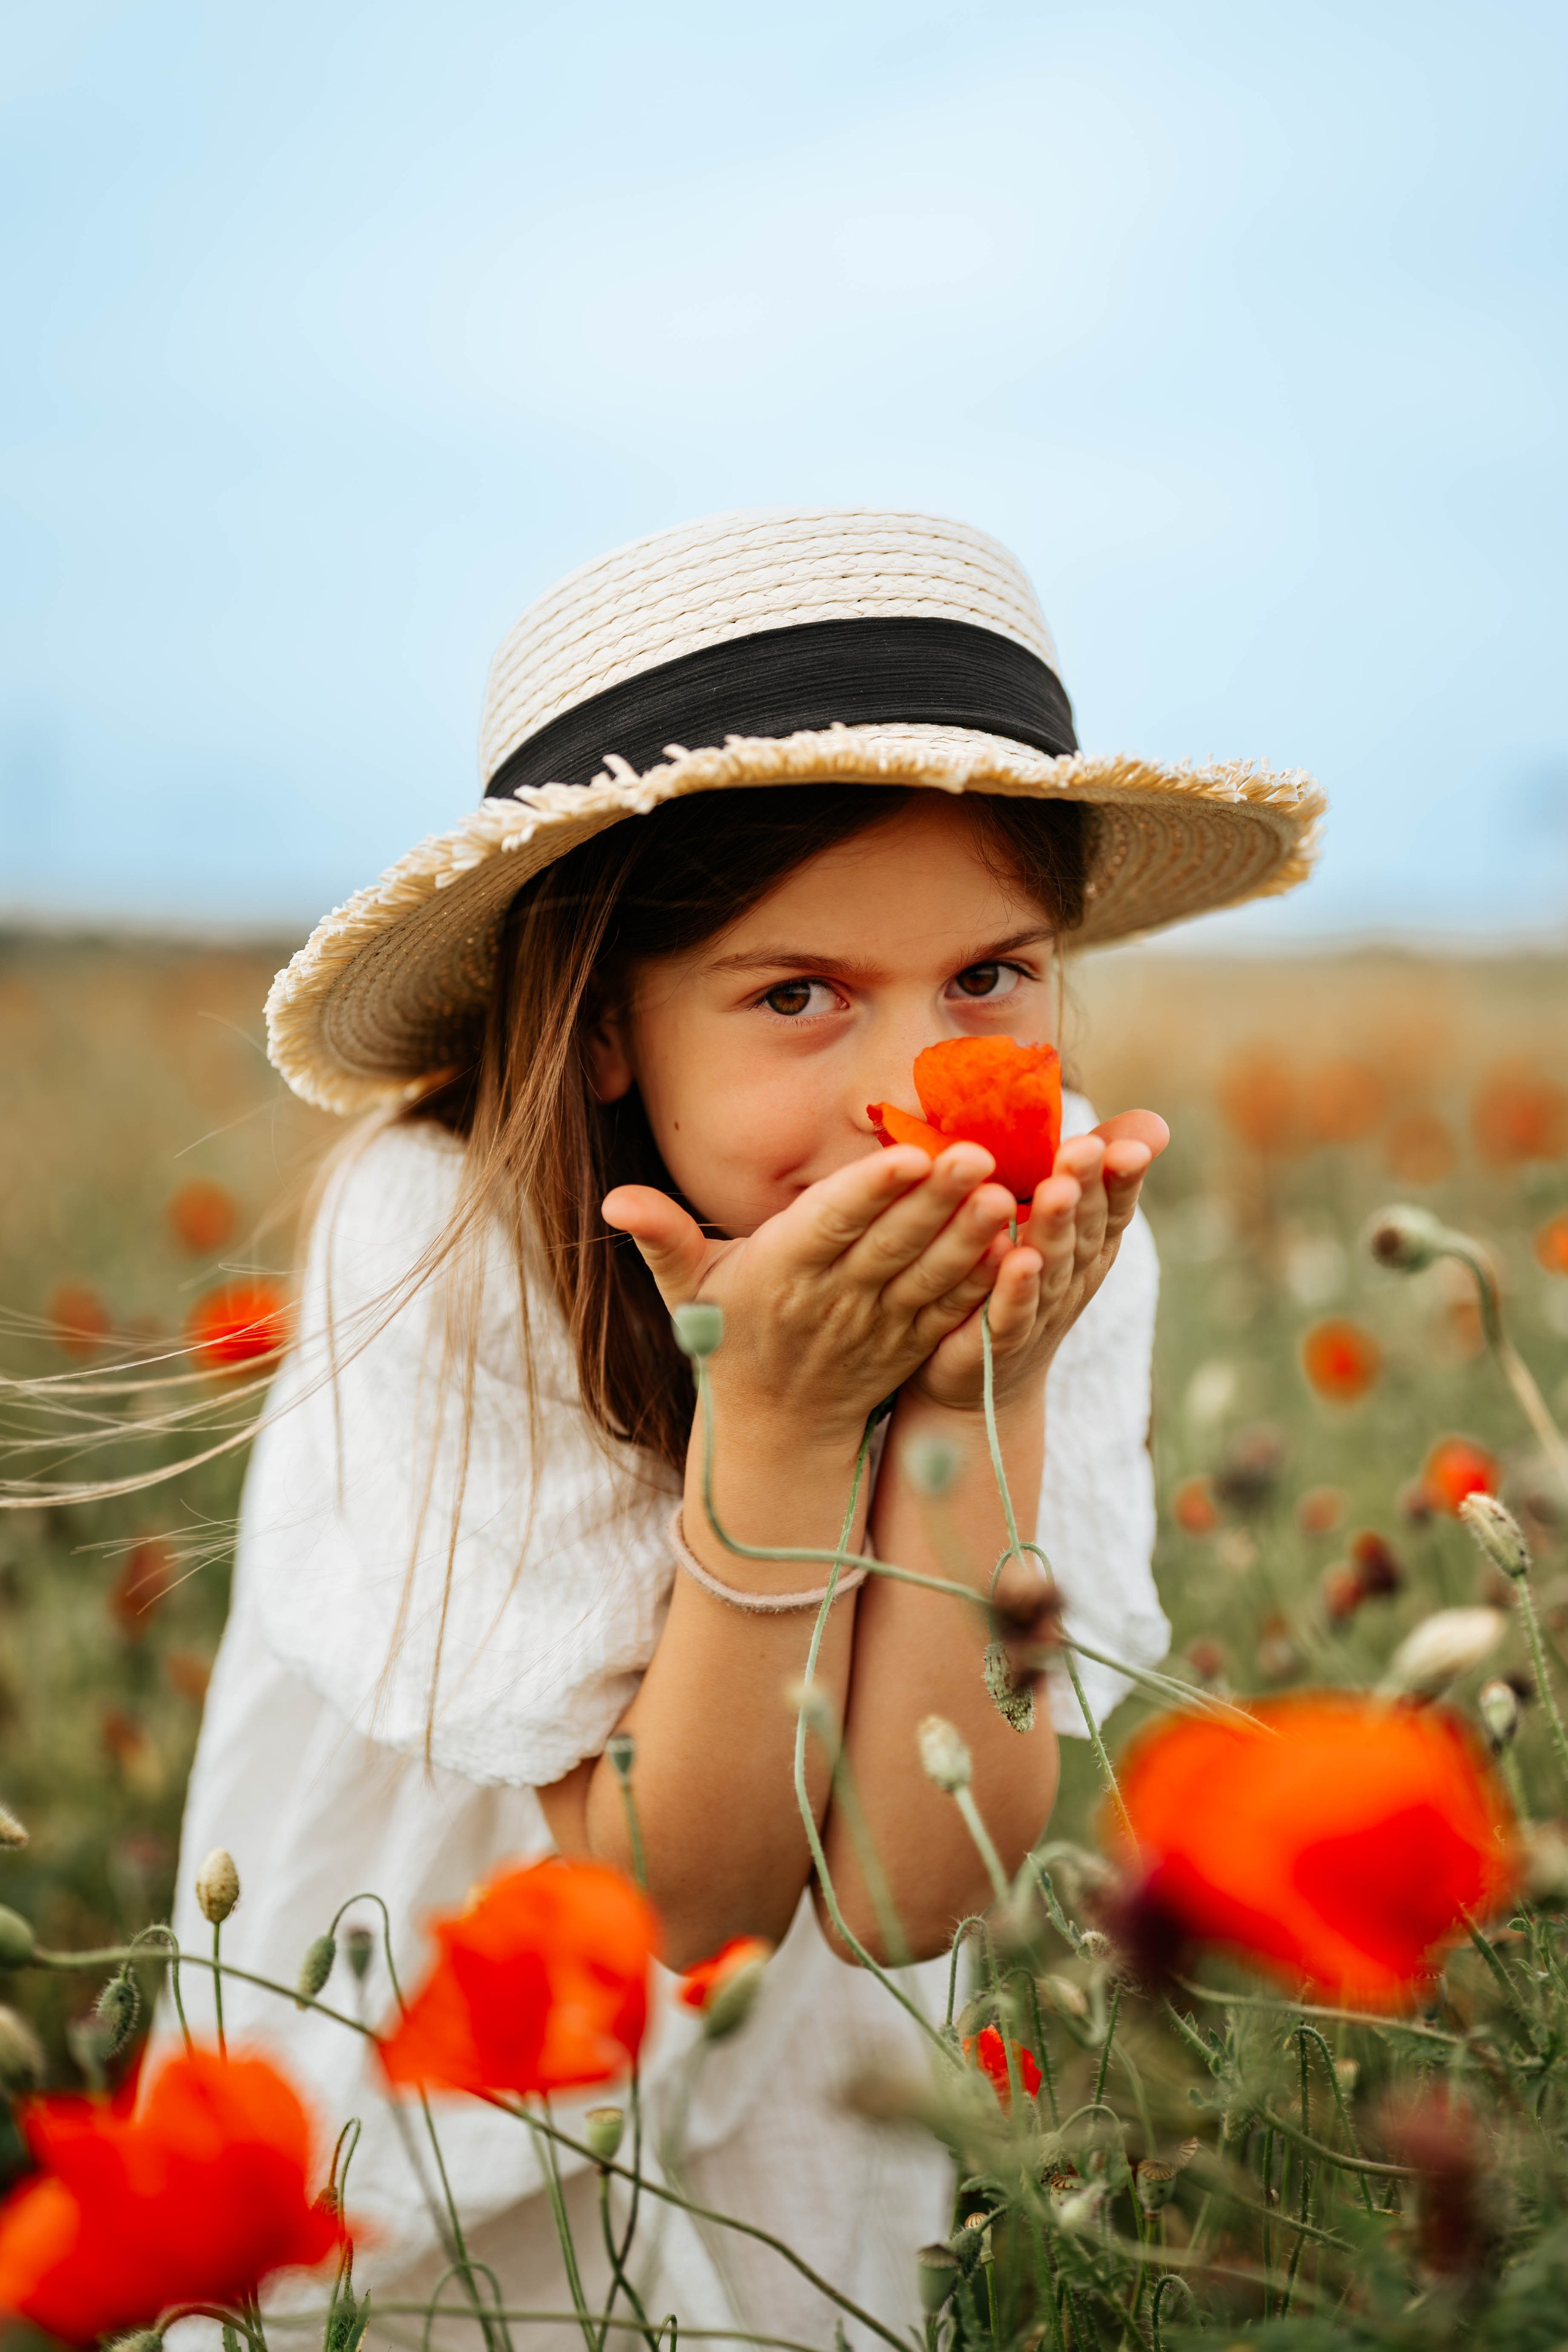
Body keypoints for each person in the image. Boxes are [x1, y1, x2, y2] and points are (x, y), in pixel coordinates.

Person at [167, 507, 1321, 2343]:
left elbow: (914, 1890)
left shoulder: (1054, 1225)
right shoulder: (444, 1237)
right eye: (798, 996)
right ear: (608, 1022)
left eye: (990, 978)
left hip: (801, 2162)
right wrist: (774, 1419)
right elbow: (668, 1906)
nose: (912, 1097)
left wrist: (986, 1397)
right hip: (425, 2155)